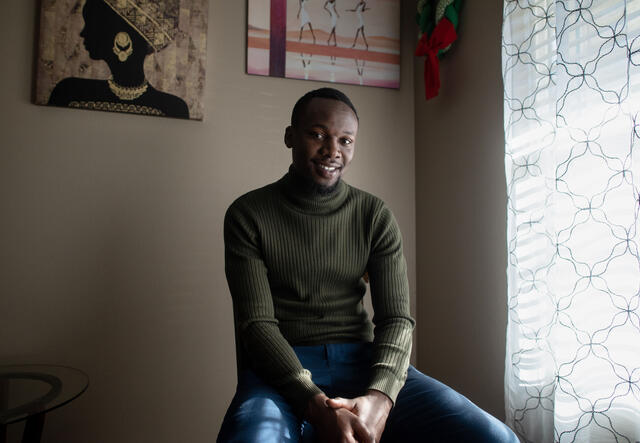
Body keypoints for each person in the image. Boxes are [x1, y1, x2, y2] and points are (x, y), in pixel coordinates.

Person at [217, 88, 519, 443]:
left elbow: (396, 320)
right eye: (317, 135)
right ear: (290, 136)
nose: (332, 151)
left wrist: (381, 397)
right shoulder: (248, 214)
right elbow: (257, 325)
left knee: (495, 438)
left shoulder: (374, 215)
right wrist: (314, 403)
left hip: (363, 363)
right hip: (281, 370)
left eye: (345, 140)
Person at [48, 0, 189, 119]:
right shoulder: (69, 91)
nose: (83, 33)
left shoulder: (173, 108)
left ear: (122, 39)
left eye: (91, 24)